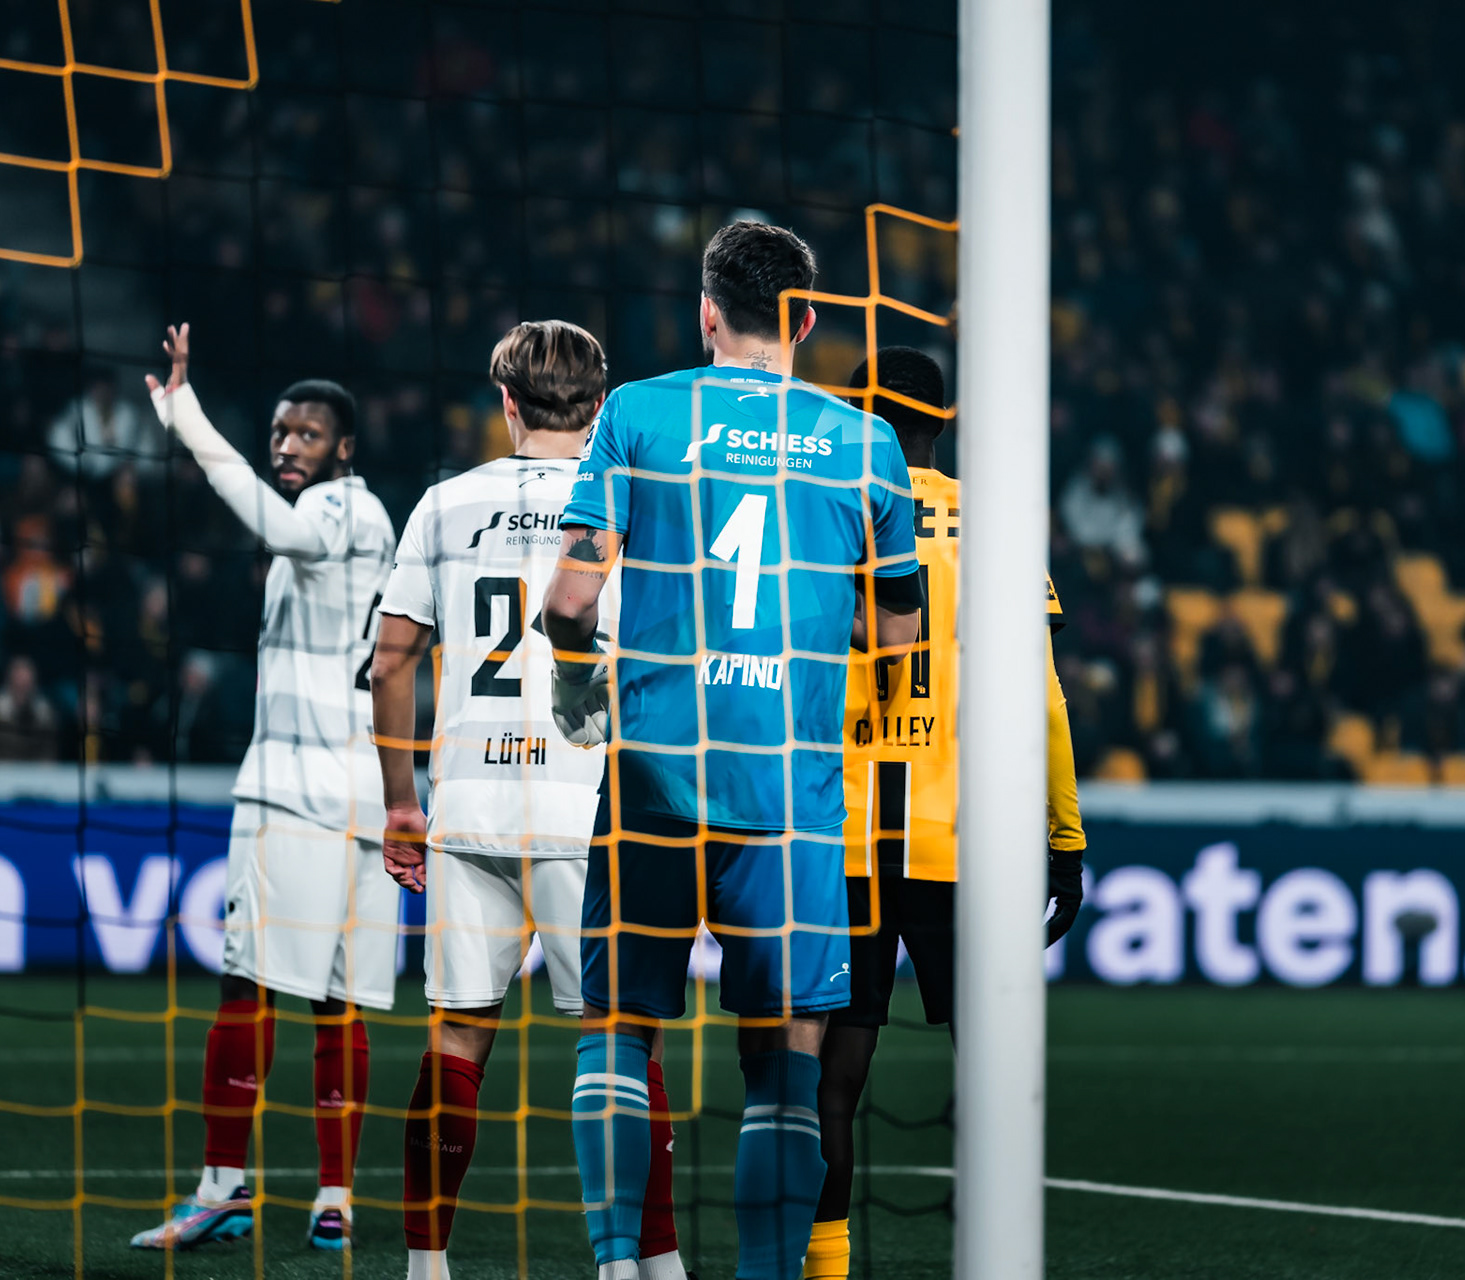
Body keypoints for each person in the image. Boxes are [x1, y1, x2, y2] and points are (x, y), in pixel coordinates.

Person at [541, 221, 923, 1280]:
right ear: (806, 320)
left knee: (618, 1026)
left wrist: (576, 684)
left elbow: (570, 601)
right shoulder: (867, 444)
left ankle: (619, 1265)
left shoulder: (639, 412)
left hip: (655, 775)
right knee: (788, 1055)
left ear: (707, 311)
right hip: (789, 791)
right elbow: (899, 639)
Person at [370, 321, 689, 1280]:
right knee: (619, 1043)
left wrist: (401, 805)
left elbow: (390, 662)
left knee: (457, 1038)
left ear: (505, 401)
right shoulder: (630, 499)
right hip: (590, 804)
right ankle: (651, 1267)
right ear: (601, 405)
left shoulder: (443, 503)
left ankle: (427, 1269)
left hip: (471, 805)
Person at [803, 347, 1089, 1279]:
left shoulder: (825, 513)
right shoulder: (998, 525)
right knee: (990, 1062)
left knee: (836, 1071)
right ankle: (998, 1251)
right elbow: (1046, 700)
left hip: (847, 833)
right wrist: (1064, 838)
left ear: (858, 414)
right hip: (966, 840)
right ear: (942, 420)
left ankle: (826, 1260)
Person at [129, 325, 399, 1252]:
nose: (288, 445)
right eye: (281, 432)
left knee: (247, 986)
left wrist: (186, 417)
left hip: (294, 793)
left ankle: (223, 1188)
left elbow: (273, 522)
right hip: (362, 794)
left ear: (344, 447)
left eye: (307, 434)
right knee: (336, 1002)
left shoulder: (338, 512)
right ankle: (335, 1198)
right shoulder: (366, 524)